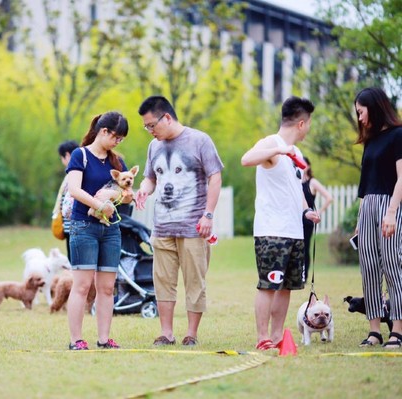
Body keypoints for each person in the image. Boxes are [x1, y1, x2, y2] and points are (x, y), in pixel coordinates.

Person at [135, 96, 224, 346]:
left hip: (194, 227)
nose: (150, 131)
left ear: (166, 117)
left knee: (195, 281)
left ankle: (191, 334)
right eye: (146, 127)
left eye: (151, 125)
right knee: (162, 282)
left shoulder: (199, 140)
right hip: (162, 225)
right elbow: (151, 178)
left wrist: (208, 214)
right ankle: (167, 333)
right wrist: (143, 189)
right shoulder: (154, 147)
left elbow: (215, 178)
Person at [241, 96, 320, 350]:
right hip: (271, 231)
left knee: (286, 287)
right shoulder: (272, 143)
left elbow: (295, 190)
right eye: (308, 123)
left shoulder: (296, 153)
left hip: (294, 231)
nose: (308, 128)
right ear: (300, 123)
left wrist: (307, 210)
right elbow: (247, 159)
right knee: (269, 285)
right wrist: (278, 150)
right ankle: (262, 337)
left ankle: (277, 337)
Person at [66, 111, 132, 350]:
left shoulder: (117, 162)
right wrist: (99, 204)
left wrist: (121, 195)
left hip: (111, 230)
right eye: (117, 138)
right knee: (82, 286)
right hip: (84, 226)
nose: (118, 143)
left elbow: (126, 198)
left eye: (121, 140)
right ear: (104, 132)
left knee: (106, 287)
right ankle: (76, 340)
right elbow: (74, 189)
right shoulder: (80, 155)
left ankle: (104, 339)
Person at [354, 87, 402, 349]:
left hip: (390, 205)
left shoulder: (398, 135)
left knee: (393, 266)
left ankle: (397, 329)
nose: (359, 118)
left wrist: (392, 211)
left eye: (361, 112)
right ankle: (374, 331)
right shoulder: (370, 141)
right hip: (369, 206)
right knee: (369, 268)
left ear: (374, 107)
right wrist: (360, 220)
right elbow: (364, 186)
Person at [301, 156, 332, 278]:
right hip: (296, 218)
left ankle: (304, 275)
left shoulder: (312, 182)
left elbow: (329, 197)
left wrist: (318, 212)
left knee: (305, 246)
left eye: (304, 164)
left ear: (308, 166)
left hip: (307, 220)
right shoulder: (295, 180)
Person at [52, 140, 79, 261]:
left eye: (61, 157)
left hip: (73, 225)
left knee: (74, 260)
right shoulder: (73, 173)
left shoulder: (72, 175)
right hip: (71, 225)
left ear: (67, 155)